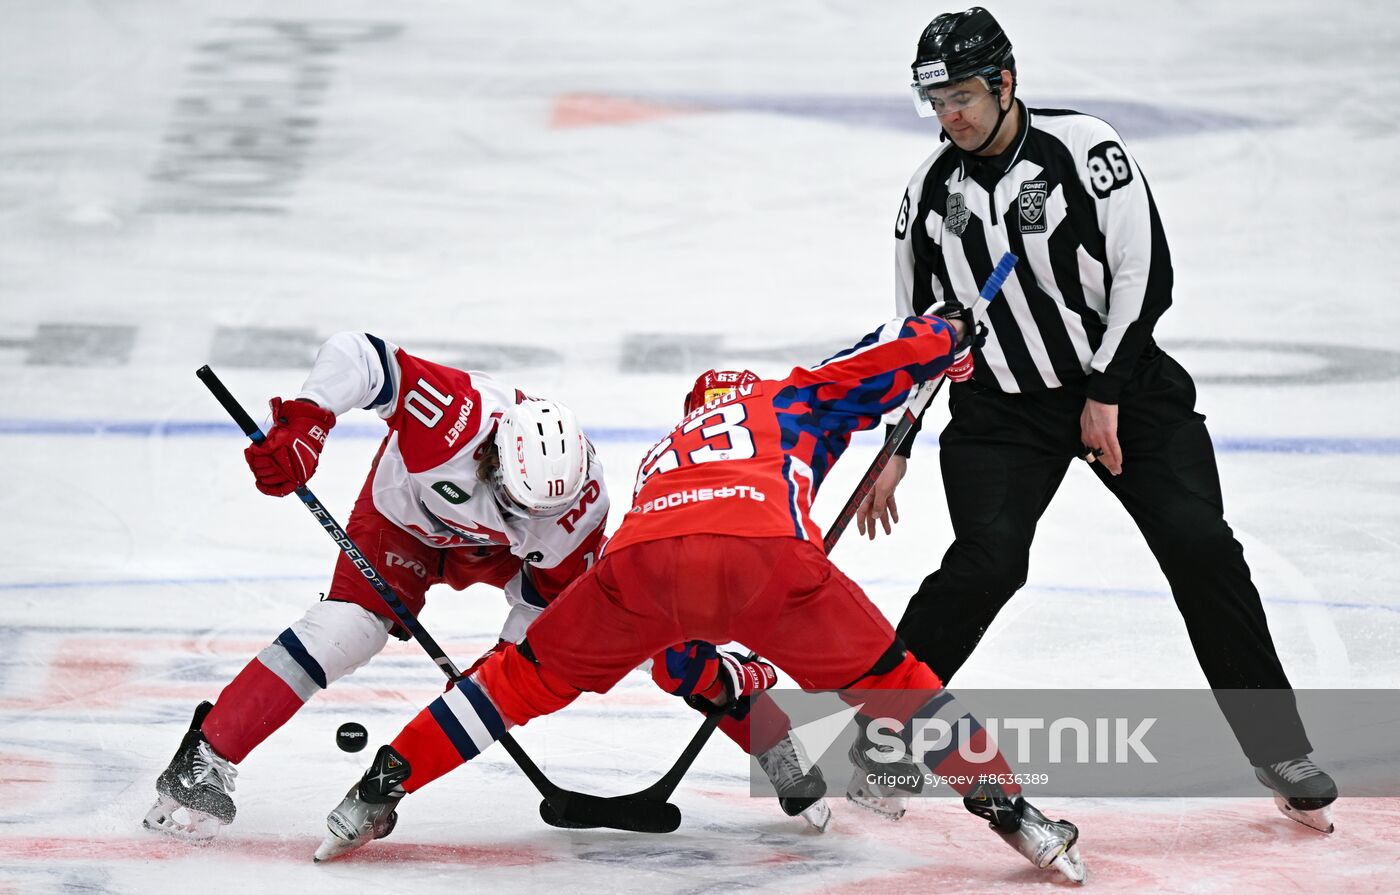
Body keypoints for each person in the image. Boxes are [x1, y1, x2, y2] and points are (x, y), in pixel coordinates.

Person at [311, 316, 1087, 884]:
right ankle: (1016, 814)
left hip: (640, 566)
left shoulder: (665, 451)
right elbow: (878, 359)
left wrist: (727, 678)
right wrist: (945, 339)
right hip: (767, 560)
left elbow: (679, 653)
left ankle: (379, 786)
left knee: (518, 678)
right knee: (898, 683)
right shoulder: (785, 400)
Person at [853, 7, 1337, 832]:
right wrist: (895, 440)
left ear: (1006, 83)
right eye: (935, 101)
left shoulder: (1085, 152)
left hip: (1125, 390)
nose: (951, 116)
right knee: (986, 563)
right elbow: (917, 328)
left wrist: (1105, 391)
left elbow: (1145, 273)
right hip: (1000, 412)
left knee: (1200, 544)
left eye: (963, 95)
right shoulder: (930, 194)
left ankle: (1277, 747)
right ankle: (878, 740)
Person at [144, 332, 828, 841]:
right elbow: (361, 355)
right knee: (345, 630)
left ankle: (799, 742)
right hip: (403, 525)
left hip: (515, 562)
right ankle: (207, 753)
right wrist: (308, 423)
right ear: (493, 453)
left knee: (650, 640)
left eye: (540, 512)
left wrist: (452, 715)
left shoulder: (575, 512)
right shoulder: (457, 416)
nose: (522, 518)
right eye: (512, 499)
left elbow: (526, 645)